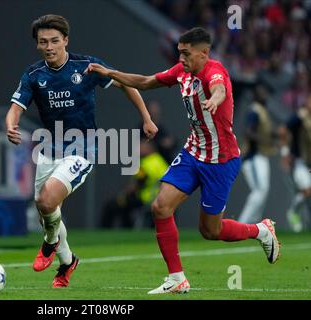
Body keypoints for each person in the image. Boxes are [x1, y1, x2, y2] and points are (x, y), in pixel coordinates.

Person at [85, 27, 280, 294]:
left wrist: (215, 100)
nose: (181, 58)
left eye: (186, 53)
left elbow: (220, 88)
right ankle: (177, 278)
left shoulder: (214, 71)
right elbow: (144, 81)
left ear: (204, 53)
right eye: (179, 52)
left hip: (220, 161)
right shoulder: (181, 72)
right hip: (192, 153)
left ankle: (260, 230)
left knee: (210, 231)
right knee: (160, 207)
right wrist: (110, 73)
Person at [6, 14, 158, 288]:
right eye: (43, 42)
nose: (49, 46)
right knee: (47, 212)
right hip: (48, 150)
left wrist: (146, 118)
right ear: (38, 45)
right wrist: (11, 125)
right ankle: (67, 262)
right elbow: (17, 106)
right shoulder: (33, 74)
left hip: (82, 149)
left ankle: (50, 244)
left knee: (46, 201)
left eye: (54, 40)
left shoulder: (86, 66)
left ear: (65, 40)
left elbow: (126, 84)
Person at [238, 84, 275, 224]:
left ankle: (254, 225)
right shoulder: (254, 110)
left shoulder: (262, 111)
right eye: (261, 93)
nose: (264, 96)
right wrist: (266, 140)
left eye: (265, 93)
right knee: (260, 189)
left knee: (262, 190)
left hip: (261, 156)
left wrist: (275, 136)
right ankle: (243, 223)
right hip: (253, 156)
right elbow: (248, 132)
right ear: (255, 96)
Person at [279, 93, 311, 232]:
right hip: (300, 160)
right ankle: (293, 212)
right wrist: (285, 152)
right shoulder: (300, 116)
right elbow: (283, 129)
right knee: (307, 191)